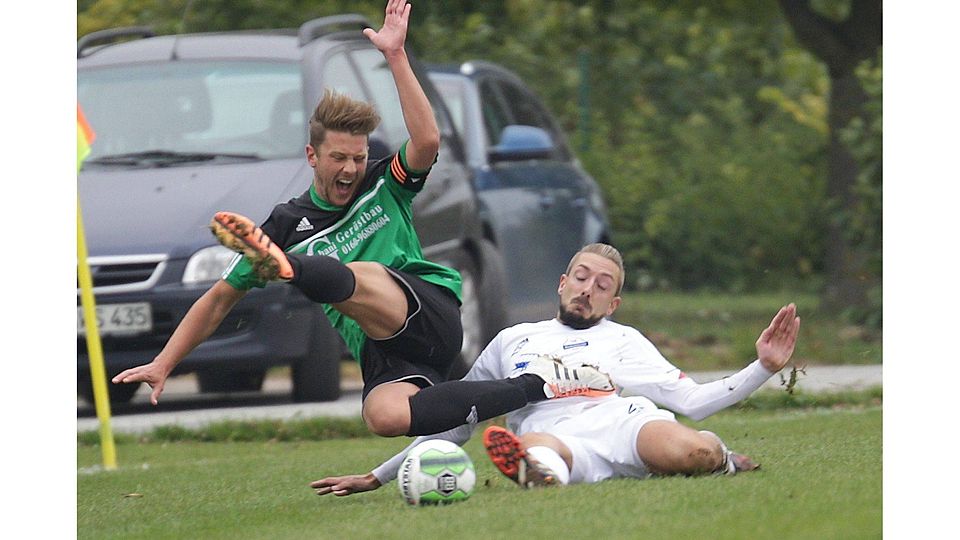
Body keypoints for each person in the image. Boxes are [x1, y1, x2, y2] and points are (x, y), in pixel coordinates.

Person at [112, 0, 615, 439]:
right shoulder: (285, 224)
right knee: (384, 415)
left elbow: (427, 142)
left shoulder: (384, 183)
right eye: (339, 158)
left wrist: (395, 56)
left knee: (361, 275)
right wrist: (164, 362)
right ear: (312, 156)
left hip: (428, 312)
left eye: (357, 157)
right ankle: (539, 386)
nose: (352, 168)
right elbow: (219, 298)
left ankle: (290, 270)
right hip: (384, 351)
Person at [311, 243, 801, 495]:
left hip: (624, 427)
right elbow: (459, 421)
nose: (588, 289)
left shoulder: (625, 340)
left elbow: (692, 400)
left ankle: (721, 457)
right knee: (541, 452)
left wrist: (762, 366)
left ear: (613, 303)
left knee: (691, 451)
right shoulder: (513, 340)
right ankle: (538, 473)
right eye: (582, 277)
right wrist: (378, 476)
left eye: (602, 286)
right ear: (563, 282)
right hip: (557, 439)